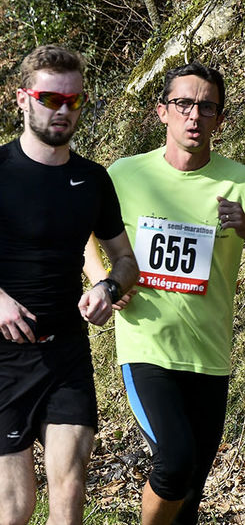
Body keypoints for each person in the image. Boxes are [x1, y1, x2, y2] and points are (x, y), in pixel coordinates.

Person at [0, 45, 139, 525]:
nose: (62, 110)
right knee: (15, 511)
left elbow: (124, 260)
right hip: (3, 358)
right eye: (50, 98)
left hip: (67, 355)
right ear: (23, 99)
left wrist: (107, 289)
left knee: (69, 498)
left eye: (73, 101)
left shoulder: (92, 179)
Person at [84, 62, 245, 525]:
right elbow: (84, 235)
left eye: (207, 107)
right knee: (173, 463)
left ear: (220, 118)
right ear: (162, 112)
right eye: (184, 104)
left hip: (211, 356)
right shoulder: (125, 174)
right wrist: (103, 279)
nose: (195, 115)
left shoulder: (238, 180)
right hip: (146, 347)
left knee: (189, 490)